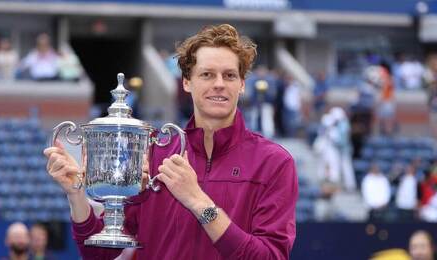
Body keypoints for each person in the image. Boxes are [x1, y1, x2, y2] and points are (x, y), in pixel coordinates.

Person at [44, 24, 298, 259]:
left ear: (242, 84)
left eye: (229, 75)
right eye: (207, 74)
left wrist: (198, 201)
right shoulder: (154, 152)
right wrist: (76, 193)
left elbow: (270, 256)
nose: (219, 84)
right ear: (187, 82)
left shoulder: (274, 162)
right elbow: (100, 254)